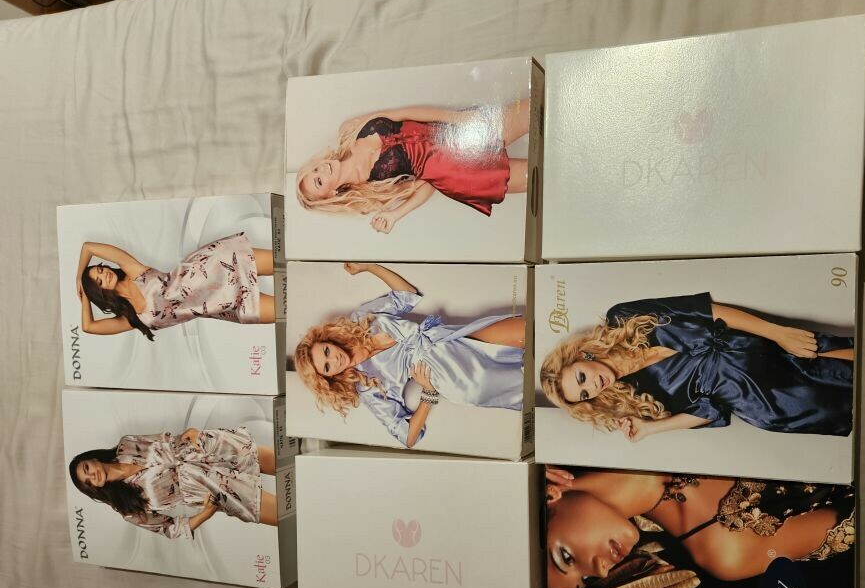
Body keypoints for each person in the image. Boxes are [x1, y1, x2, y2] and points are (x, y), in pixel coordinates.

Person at [544, 466, 855, 588]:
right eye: (586, 580)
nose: (600, 570)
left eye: (566, 557)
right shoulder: (726, 550)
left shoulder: (601, 406)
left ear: (549, 495)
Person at [540, 292, 855, 440]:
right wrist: (650, 428)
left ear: (583, 357)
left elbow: (707, 312)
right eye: (585, 394)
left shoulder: (621, 317)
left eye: (581, 378)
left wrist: (777, 332)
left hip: (768, 348)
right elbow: (710, 410)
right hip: (774, 400)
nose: (592, 387)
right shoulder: (635, 399)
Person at [294, 262, 525, 448]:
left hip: (449, 338)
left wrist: (368, 267)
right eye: (327, 366)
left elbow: (406, 295)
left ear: (327, 340)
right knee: (528, 382)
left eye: (326, 351)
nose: (334, 359)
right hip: (456, 377)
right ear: (329, 377)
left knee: (526, 331)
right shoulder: (367, 388)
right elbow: (407, 438)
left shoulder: (361, 318)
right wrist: (428, 393)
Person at [295, 100, 530, 233]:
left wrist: (457, 118)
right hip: (459, 171)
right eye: (319, 180)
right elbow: (427, 181)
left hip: (456, 133)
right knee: (541, 177)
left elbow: (403, 113)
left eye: (315, 169)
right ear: (331, 194)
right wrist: (395, 215)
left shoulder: (347, 131)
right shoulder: (372, 192)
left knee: (537, 107)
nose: (321, 169)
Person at [69, 427, 278, 539]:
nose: (92, 476)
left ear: (93, 458)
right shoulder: (127, 508)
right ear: (93, 489)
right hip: (211, 487)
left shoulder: (127, 444)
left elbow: (167, 440)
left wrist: (193, 433)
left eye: (87, 468)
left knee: (286, 462)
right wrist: (205, 514)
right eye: (88, 482)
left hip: (207, 450)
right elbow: (170, 529)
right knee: (286, 512)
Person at [76, 234, 276, 340]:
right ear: (100, 294)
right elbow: (89, 327)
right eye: (99, 282)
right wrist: (85, 293)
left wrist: (79, 277)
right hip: (223, 303)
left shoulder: (134, 272)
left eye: (100, 269)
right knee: (287, 310)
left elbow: (88, 247)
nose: (104, 274)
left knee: (285, 262)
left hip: (216, 264)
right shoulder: (131, 318)